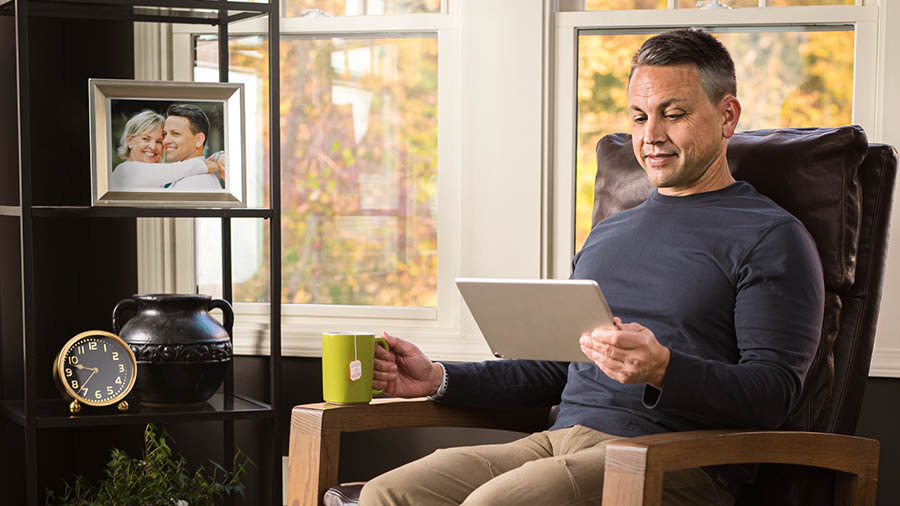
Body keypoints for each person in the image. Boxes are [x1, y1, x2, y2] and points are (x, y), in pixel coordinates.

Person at [360, 28, 824, 506]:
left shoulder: (771, 237)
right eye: (640, 117)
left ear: (727, 116)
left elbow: (772, 393)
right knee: (389, 493)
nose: (651, 136)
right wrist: (437, 378)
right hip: (558, 441)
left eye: (674, 114)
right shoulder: (609, 233)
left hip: (676, 459)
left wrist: (664, 369)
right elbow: (557, 369)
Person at [109, 109, 224, 190]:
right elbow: (180, 169)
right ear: (129, 140)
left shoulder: (165, 177)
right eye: (145, 139)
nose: (153, 147)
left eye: (159, 141)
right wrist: (214, 160)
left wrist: (216, 158)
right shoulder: (124, 171)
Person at [161, 103, 225, 190]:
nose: (165, 141)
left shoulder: (193, 183)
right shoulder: (186, 177)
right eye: (164, 134)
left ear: (199, 140)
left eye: (175, 133)